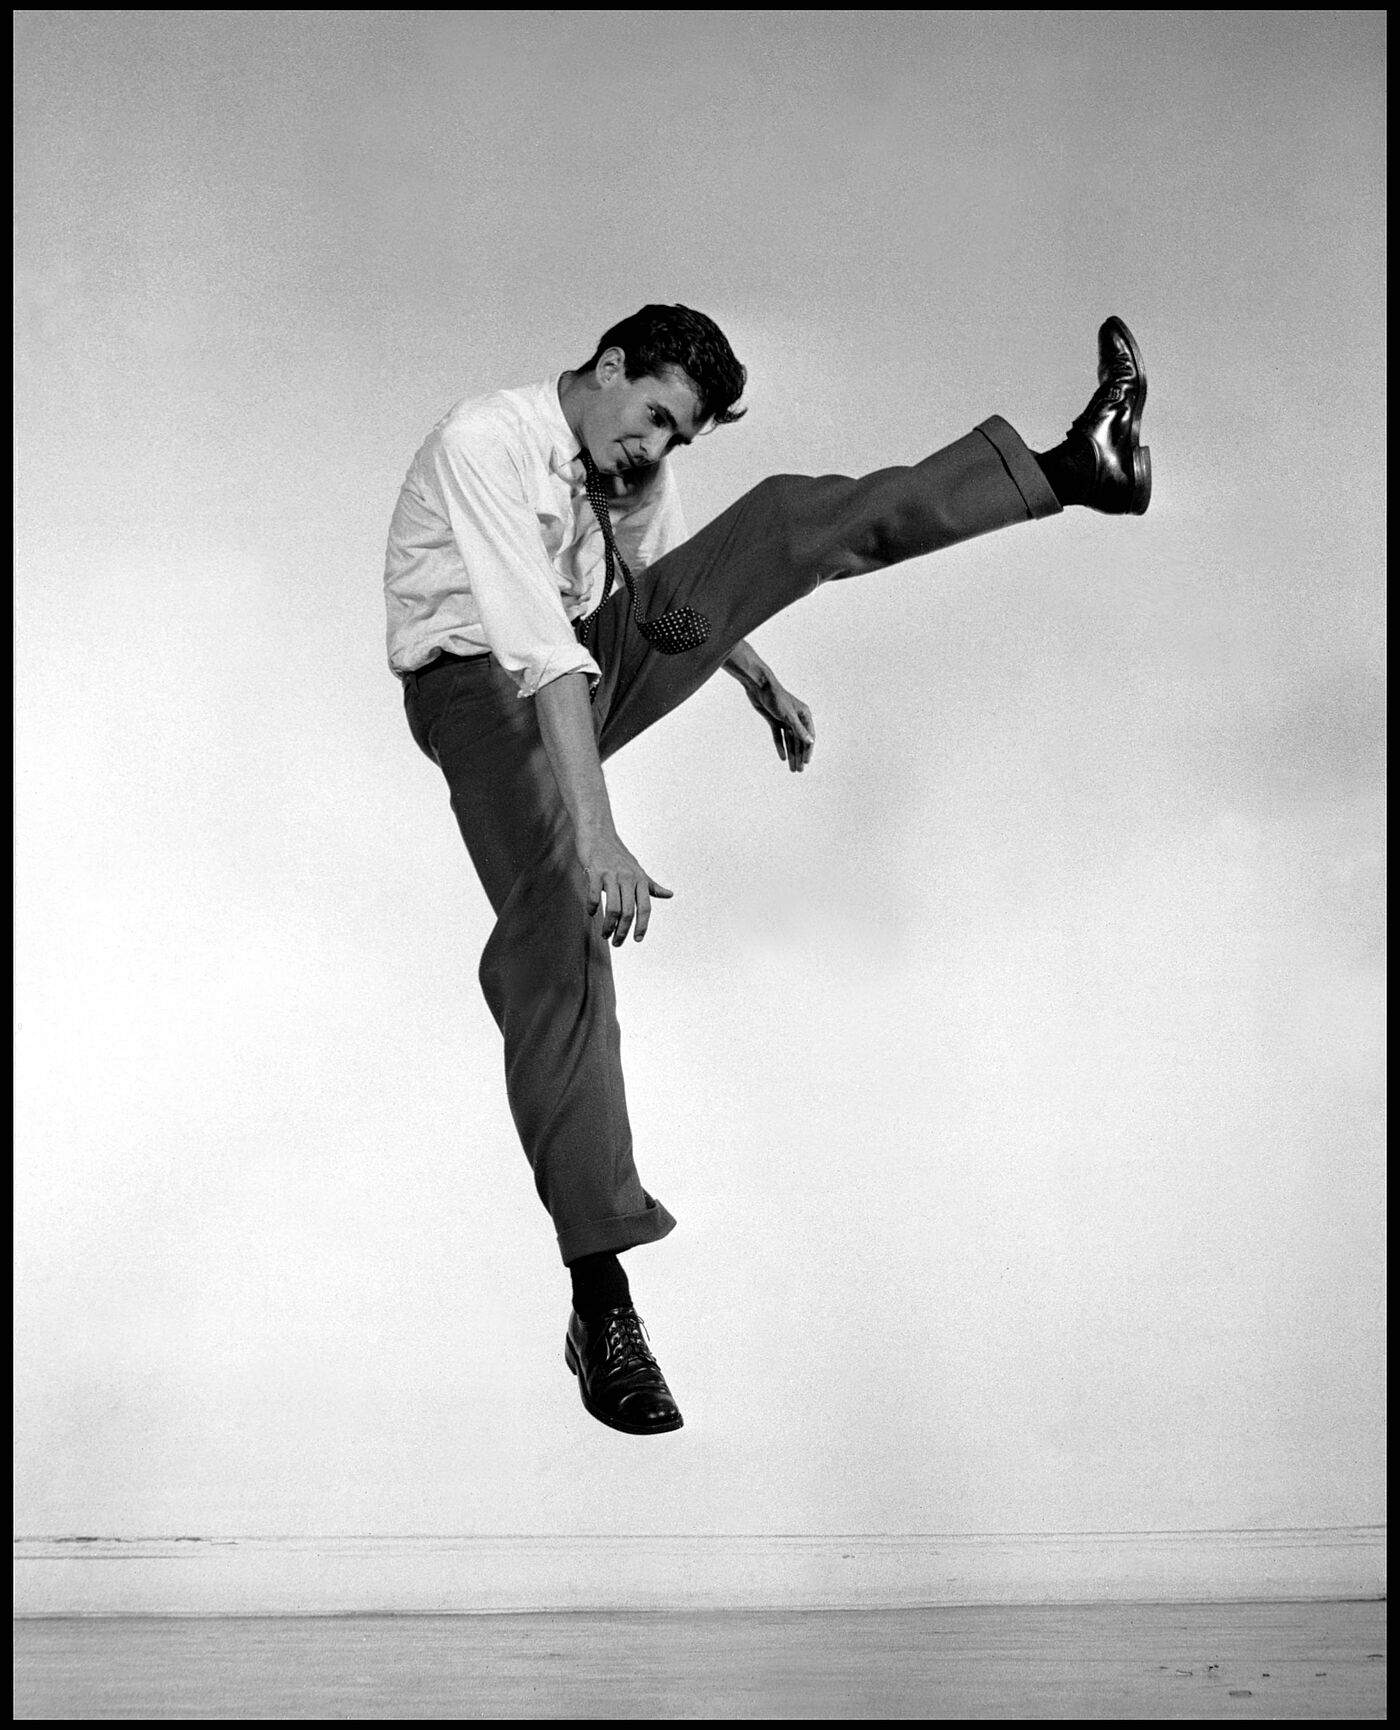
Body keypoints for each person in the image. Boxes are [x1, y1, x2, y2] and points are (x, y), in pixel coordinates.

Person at [385, 304, 1150, 1437]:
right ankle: (602, 1300)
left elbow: (665, 585)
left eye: (678, 436)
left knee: (786, 515)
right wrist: (598, 836)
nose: (656, 450)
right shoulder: (483, 442)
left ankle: (1064, 467)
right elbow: (537, 648)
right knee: (558, 921)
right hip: (479, 690)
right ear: (605, 368)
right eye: (652, 417)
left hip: (587, 659)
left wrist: (750, 671)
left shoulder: (626, 466)